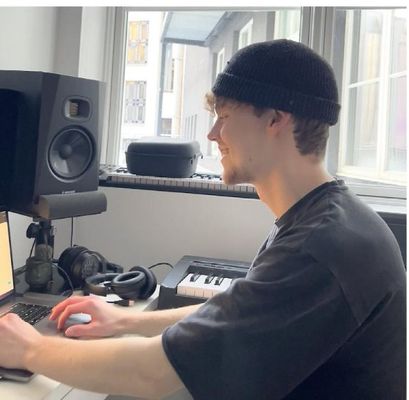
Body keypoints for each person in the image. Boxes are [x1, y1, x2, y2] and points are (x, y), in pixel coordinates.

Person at [0, 39, 405, 400]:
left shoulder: (321, 246)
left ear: (276, 119)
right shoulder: (322, 219)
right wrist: (124, 321)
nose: (213, 134)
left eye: (224, 116)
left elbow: (153, 373)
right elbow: (237, 316)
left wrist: (30, 349)